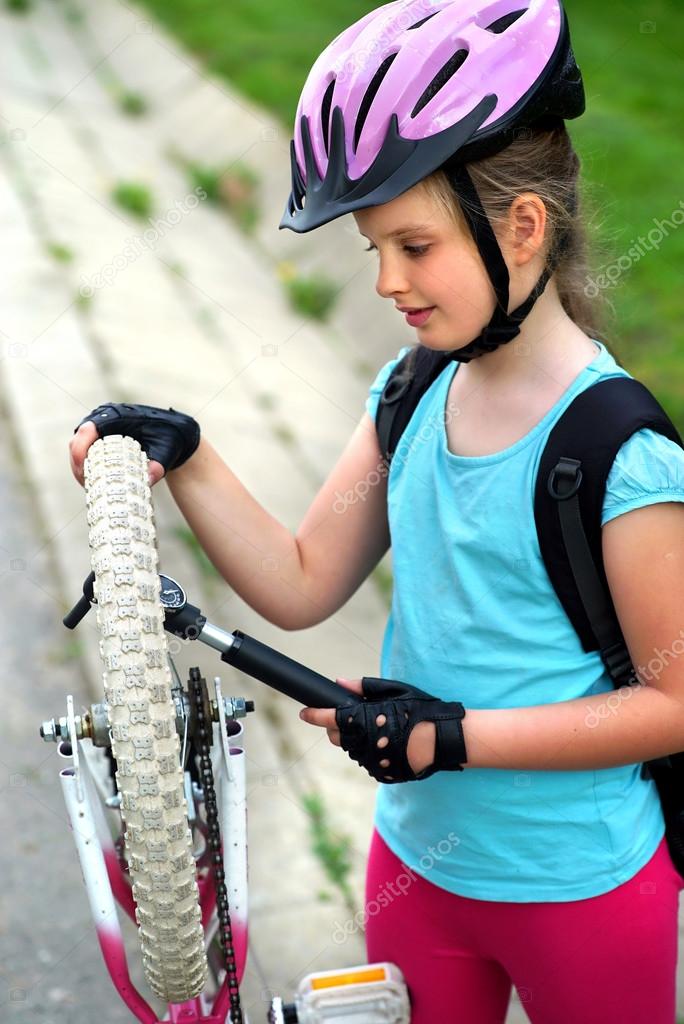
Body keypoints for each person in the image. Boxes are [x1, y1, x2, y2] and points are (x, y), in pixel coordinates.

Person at [68, 2, 684, 1022]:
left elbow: (670, 705)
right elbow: (303, 582)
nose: (390, 280)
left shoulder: (619, 453)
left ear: (522, 229)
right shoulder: (414, 392)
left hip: (580, 887)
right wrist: (191, 454)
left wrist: (447, 733)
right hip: (418, 874)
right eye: (374, 251)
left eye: (414, 244)